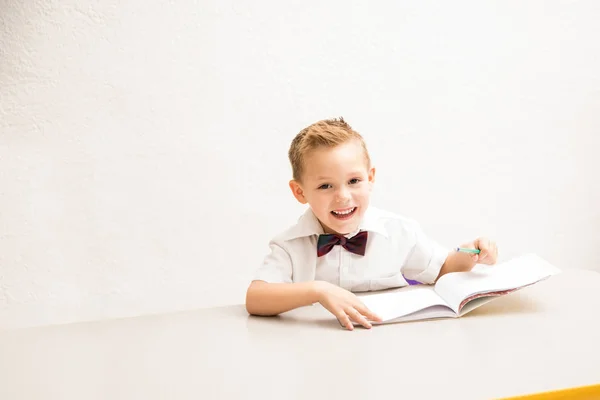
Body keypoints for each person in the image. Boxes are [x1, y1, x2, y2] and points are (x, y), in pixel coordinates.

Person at [245, 117, 498, 330]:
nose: (343, 196)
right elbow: (255, 299)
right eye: (325, 186)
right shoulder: (290, 246)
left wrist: (472, 253)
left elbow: (443, 268)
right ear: (300, 192)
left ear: (370, 178)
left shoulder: (399, 232)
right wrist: (318, 290)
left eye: (354, 181)